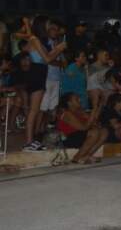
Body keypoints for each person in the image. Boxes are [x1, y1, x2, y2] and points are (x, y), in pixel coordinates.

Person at [21, 16, 67, 151]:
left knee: (36, 109)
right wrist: (59, 49)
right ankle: (29, 142)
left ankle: (32, 140)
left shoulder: (39, 40)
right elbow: (47, 58)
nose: (49, 27)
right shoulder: (34, 39)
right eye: (48, 25)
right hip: (36, 73)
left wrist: (57, 48)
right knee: (34, 110)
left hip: (40, 72)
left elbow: (47, 56)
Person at [56, 92, 108, 164]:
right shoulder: (67, 113)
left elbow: (94, 121)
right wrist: (93, 111)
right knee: (94, 132)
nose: (79, 100)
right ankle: (77, 157)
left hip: (81, 135)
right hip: (69, 138)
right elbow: (83, 128)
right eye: (76, 99)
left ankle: (87, 156)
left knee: (104, 132)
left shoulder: (80, 111)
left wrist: (97, 108)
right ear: (69, 103)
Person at [87, 48, 112, 124]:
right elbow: (93, 83)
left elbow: (109, 83)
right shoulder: (91, 67)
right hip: (95, 94)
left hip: (104, 94)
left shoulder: (107, 67)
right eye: (106, 55)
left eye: (108, 55)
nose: (108, 57)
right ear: (99, 55)